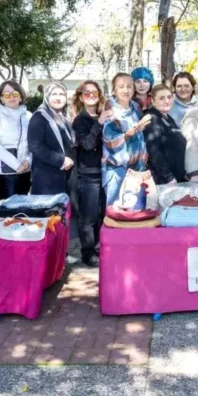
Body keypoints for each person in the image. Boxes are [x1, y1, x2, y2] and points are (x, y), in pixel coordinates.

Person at [72, 81, 112, 266]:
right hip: (89, 174)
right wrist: (99, 122)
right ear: (81, 97)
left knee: (104, 214)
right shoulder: (80, 121)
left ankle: (100, 247)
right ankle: (88, 253)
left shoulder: (106, 115)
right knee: (88, 217)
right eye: (86, 93)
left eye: (94, 92)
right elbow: (87, 144)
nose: (90, 95)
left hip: (108, 172)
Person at [103, 73, 151, 205]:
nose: (126, 90)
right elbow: (111, 142)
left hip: (137, 169)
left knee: (135, 210)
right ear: (114, 90)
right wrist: (136, 129)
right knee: (115, 212)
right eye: (121, 87)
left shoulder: (135, 106)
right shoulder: (110, 110)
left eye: (129, 86)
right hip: (117, 170)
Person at [0, 80, 32, 199]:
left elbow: (34, 143)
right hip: (2, 173)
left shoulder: (28, 116)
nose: (11, 97)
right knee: (7, 212)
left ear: (21, 96)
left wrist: (29, 160)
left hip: (24, 171)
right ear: (1, 98)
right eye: (6, 94)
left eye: (15, 93)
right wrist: (16, 165)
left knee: (22, 210)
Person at [28, 82, 75, 195]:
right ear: (47, 96)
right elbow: (35, 146)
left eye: (61, 94)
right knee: (51, 211)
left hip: (64, 175)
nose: (58, 98)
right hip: (46, 177)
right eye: (54, 94)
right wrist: (61, 160)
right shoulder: (39, 117)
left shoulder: (64, 118)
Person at [144, 84, 187, 184]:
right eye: (161, 98)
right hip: (164, 181)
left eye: (169, 97)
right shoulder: (152, 119)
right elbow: (154, 152)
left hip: (178, 176)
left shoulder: (168, 118)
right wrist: (169, 177)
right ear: (153, 101)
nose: (166, 101)